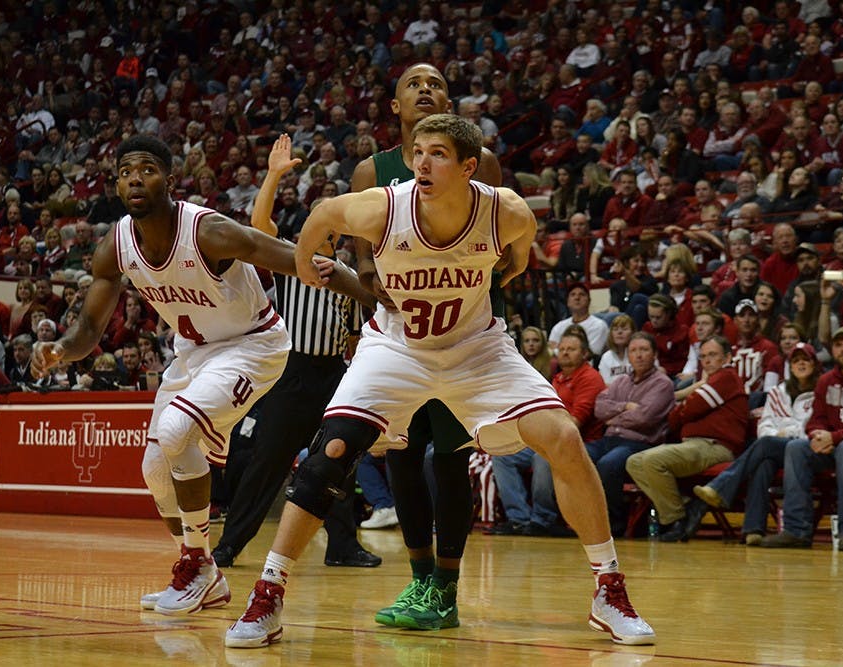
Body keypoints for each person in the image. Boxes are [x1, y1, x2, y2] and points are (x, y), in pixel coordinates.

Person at [226, 114, 655, 648]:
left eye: (438, 154)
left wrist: (512, 264)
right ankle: (267, 596)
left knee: (564, 439)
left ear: (468, 167)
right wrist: (308, 262)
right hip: (397, 347)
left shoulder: (504, 209)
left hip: (476, 349)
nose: (422, 162)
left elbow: (522, 247)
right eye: (418, 152)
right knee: (331, 450)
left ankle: (608, 589)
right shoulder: (384, 205)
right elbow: (321, 214)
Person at [30, 134, 369, 617]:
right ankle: (203, 572)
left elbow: (303, 262)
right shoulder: (117, 246)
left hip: (254, 344)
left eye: (146, 169)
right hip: (193, 353)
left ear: (169, 179)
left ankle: (198, 565)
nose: (134, 179)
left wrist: (381, 302)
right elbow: (87, 329)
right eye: (125, 171)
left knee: (175, 432)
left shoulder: (209, 232)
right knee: (153, 469)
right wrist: (59, 351)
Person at [348, 62, 506, 633]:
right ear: (395, 107)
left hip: (462, 332)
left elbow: (505, 241)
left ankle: (447, 584)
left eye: (435, 83)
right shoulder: (372, 169)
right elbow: (362, 253)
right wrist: (377, 287)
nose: (425, 90)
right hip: (402, 332)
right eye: (413, 84)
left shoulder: (479, 162)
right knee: (404, 456)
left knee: (452, 458)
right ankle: (419, 581)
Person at [211, 135, 378, 570]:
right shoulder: (290, 257)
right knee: (267, 462)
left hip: (334, 374)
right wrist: (273, 174)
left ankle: (342, 546)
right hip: (293, 373)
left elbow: (355, 337)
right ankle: (229, 545)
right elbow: (257, 221)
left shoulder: (351, 274)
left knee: (337, 461)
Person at [762, 326, 843, 550]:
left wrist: (835, 437)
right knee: (796, 448)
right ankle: (796, 530)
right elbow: (816, 421)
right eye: (838, 345)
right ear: (832, 350)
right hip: (836, 445)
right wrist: (817, 435)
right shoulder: (826, 380)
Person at [693, 342, 819, 545]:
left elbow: (810, 428)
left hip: (805, 449)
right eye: (796, 360)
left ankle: (721, 486)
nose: (801, 364)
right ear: (790, 366)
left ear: (814, 365)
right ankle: (753, 530)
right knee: (763, 463)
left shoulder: (820, 391)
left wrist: (784, 432)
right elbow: (764, 425)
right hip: (776, 446)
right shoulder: (778, 392)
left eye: (806, 360)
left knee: (767, 446)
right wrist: (779, 433)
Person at [626, 335, 749, 542]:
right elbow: (675, 418)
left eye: (713, 355)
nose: (707, 360)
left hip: (715, 446)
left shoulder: (726, 376)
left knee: (652, 461)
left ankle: (676, 521)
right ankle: (686, 507)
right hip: (694, 445)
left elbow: (686, 412)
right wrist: (687, 400)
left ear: (727, 357)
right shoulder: (709, 382)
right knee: (634, 462)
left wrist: (684, 403)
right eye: (703, 357)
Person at [488, 327, 605, 537]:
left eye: (572, 349)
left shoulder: (590, 377)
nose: (565, 352)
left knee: (542, 457)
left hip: (583, 443)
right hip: (549, 438)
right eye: (562, 348)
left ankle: (543, 519)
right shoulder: (557, 378)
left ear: (585, 353)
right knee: (503, 456)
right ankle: (518, 519)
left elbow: (575, 422)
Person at [589, 332, 675, 537]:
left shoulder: (663, 384)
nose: (639, 355)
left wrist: (614, 417)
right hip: (609, 439)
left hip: (639, 443)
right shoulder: (620, 382)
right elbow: (599, 409)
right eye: (634, 350)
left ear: (654, 354)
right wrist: (626, 406)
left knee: (608, 464)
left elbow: (644, 418)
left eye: (644, 350)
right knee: (575, 456)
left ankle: (614, 524)